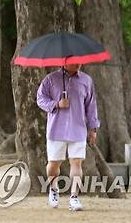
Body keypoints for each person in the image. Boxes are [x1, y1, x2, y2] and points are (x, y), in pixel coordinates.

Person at [36, 63, 99, 212]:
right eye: (74, 60)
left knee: (76, 162)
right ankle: (53, 188)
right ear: (64, 61)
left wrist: (93, 128)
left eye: (80, 60)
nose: (78, 63)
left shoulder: (86, 80)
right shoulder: (51, 79)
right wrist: (56, 104)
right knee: (53, 164)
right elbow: (40, 99)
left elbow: (91, 105)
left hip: (78, 129)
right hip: (56, 129)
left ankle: (74, 197)